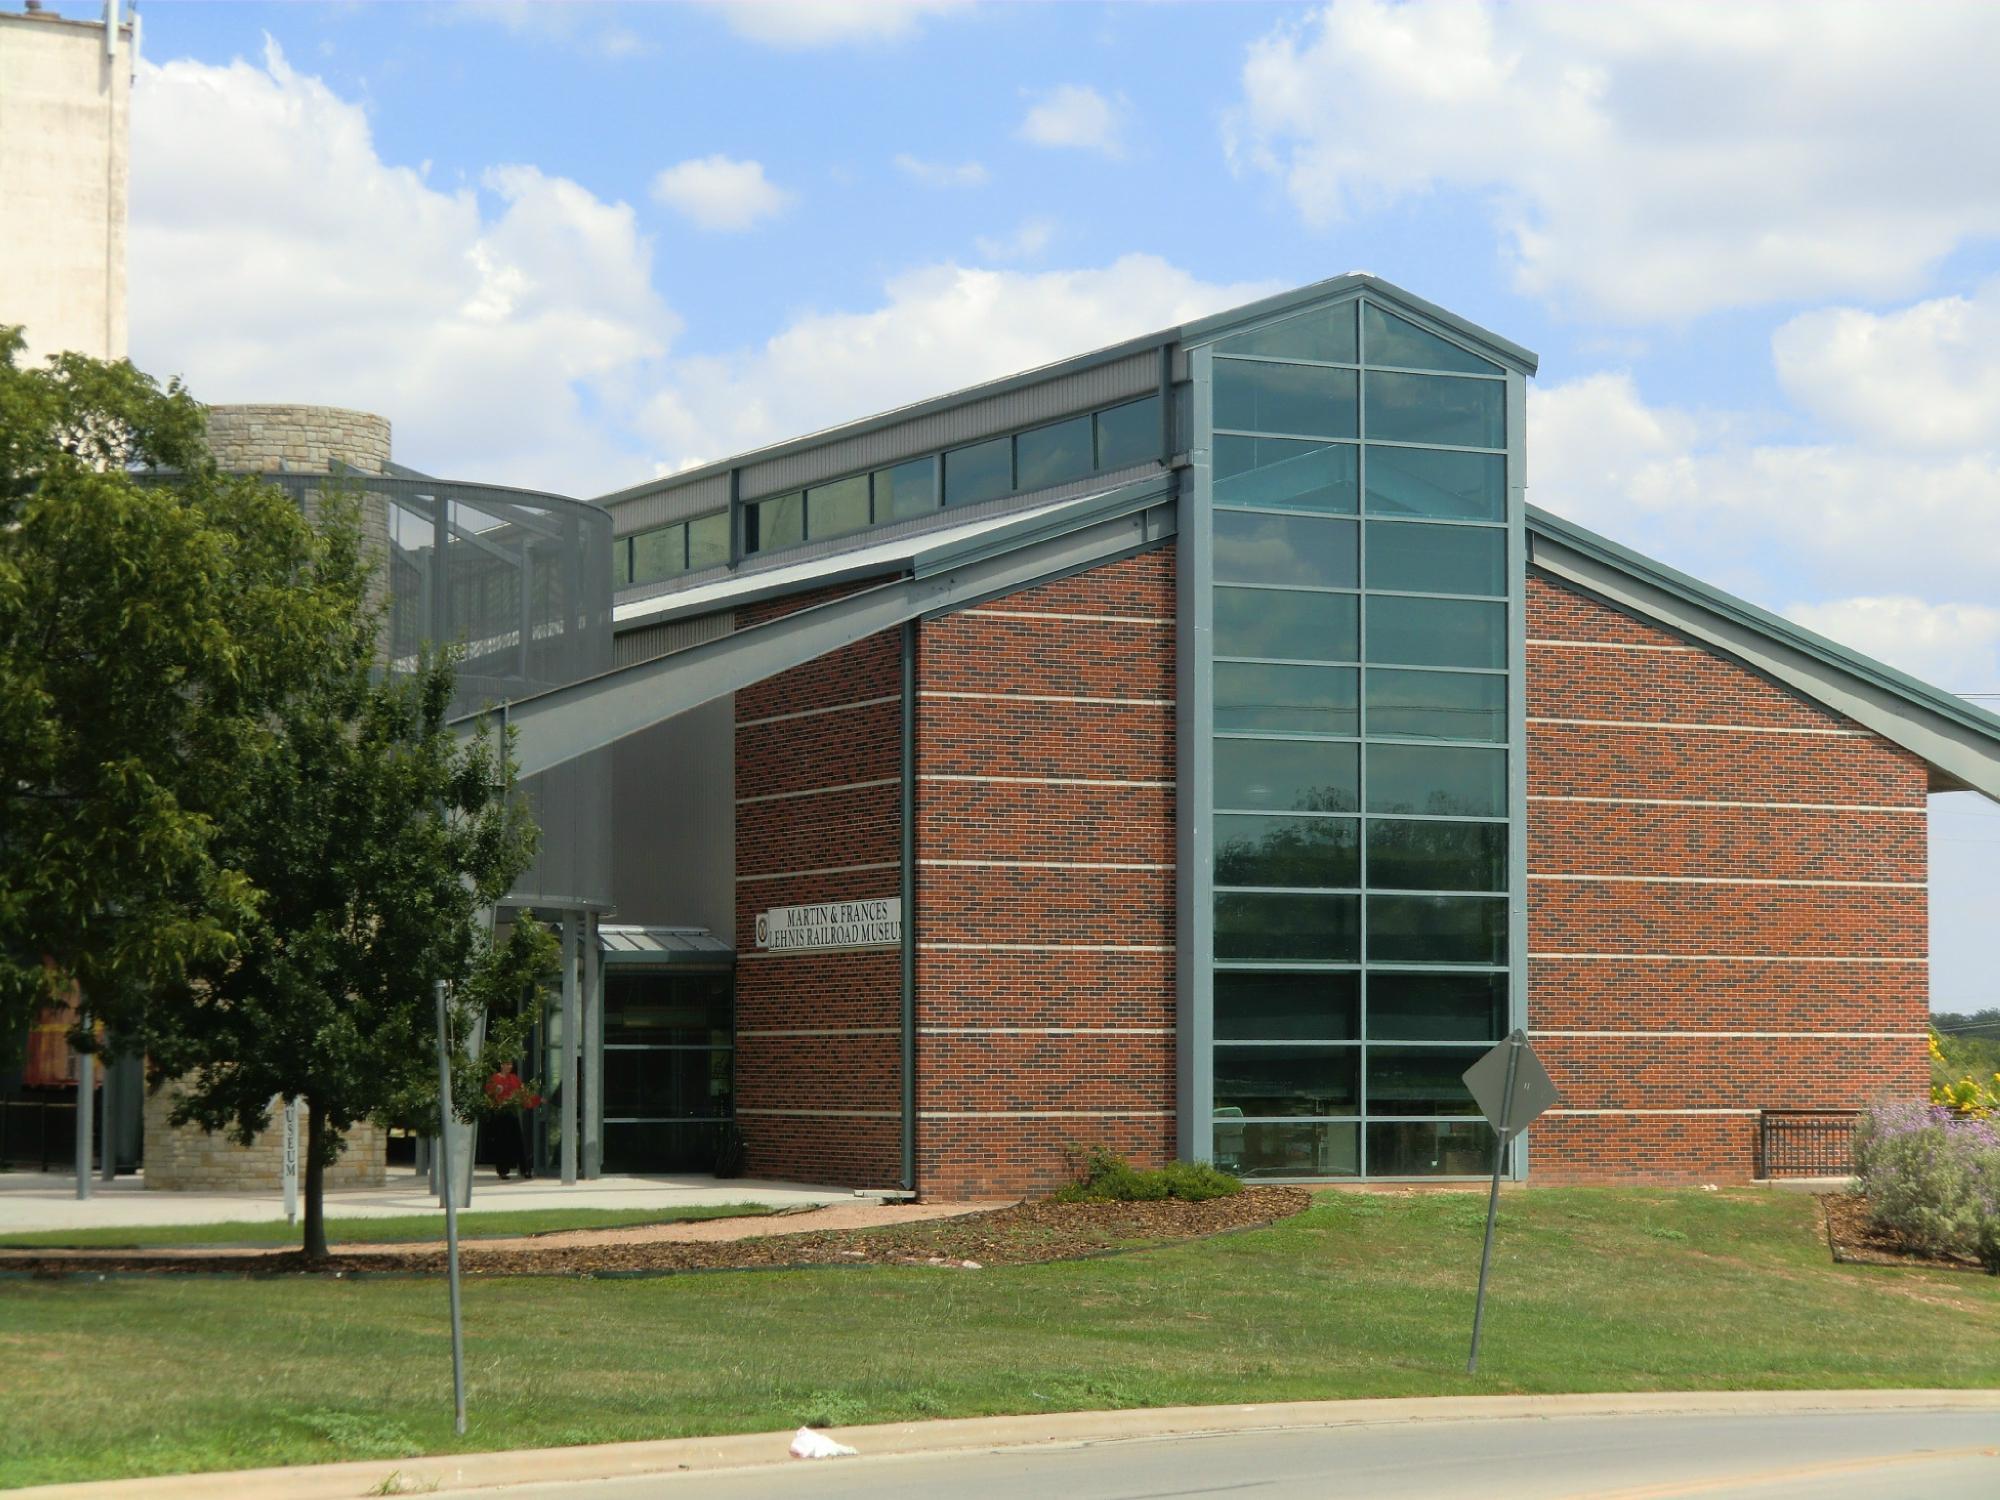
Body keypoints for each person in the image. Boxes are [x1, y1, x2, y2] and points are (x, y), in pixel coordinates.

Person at [484, 1060, 535, 1181]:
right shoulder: (495, 1078)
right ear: (501, 1066)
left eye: (509, 1064)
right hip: (500, 1112)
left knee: (518, 1141)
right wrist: (496, 1091)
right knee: (502, 1142)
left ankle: (525, 1169)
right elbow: (489, 1095)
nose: (507, 1067)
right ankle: (503, 1170)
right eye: (505, 1064)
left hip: (512, 1111)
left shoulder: (514, 1078)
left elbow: (521, 1092)